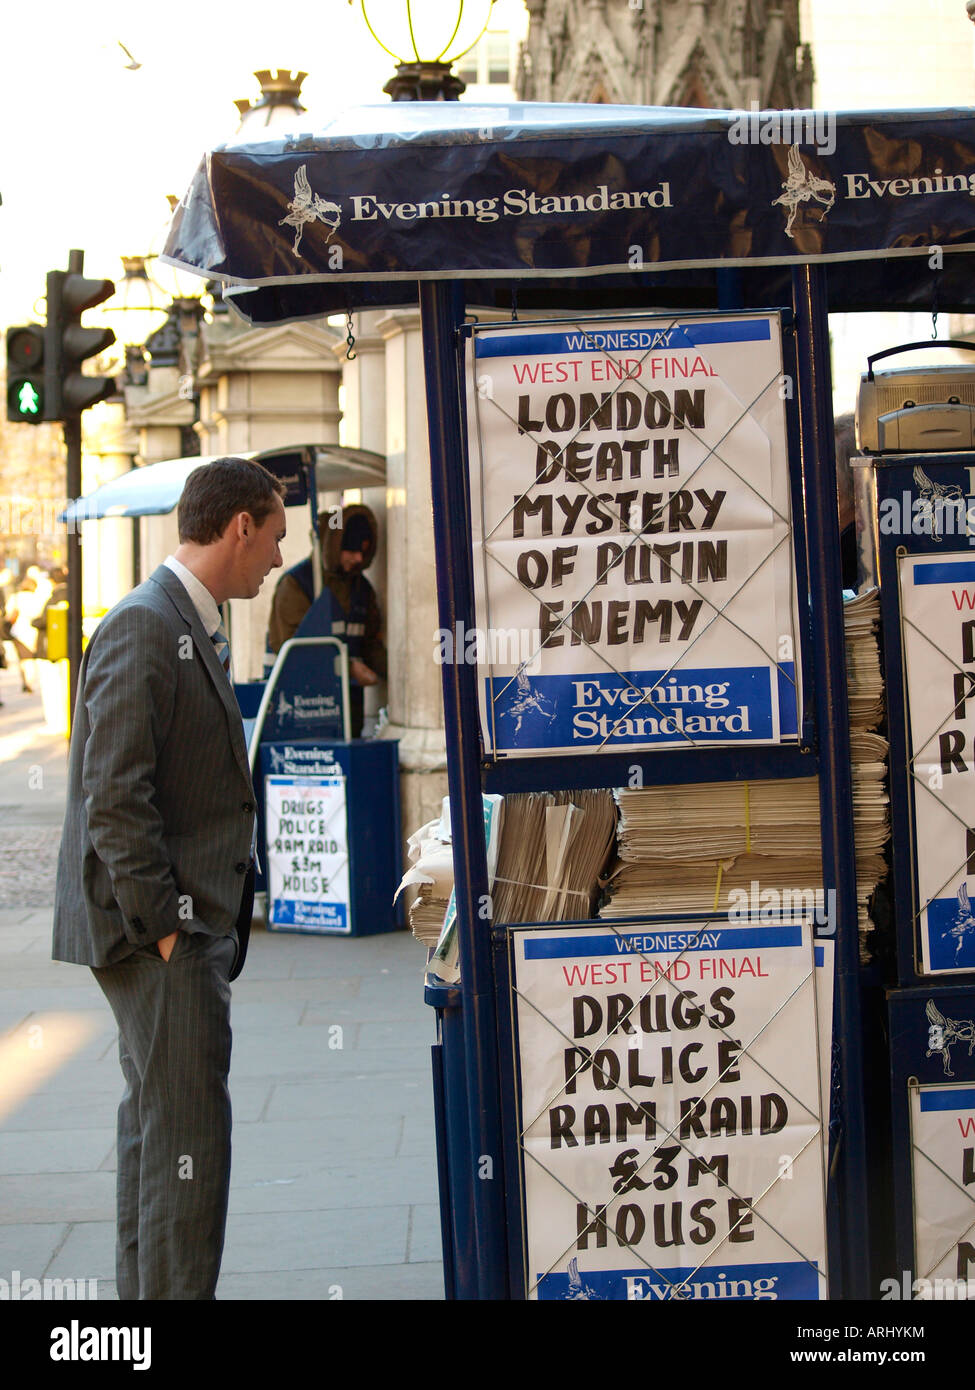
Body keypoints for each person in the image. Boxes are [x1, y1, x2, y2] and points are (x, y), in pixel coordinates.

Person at [53, 456, 287, 1300]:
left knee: (158, 1140)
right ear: (238, 527)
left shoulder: (181, 620)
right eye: (273, 538)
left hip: (173, 930)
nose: (276, 558)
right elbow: (113, 792)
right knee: (189, 1151)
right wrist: (163, 926)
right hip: (161, 936)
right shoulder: (146, 624)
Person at [266, 503, 386, 737]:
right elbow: (295, 649)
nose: (358, 558)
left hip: (349, 716)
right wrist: (349, 668)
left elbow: (371, 644)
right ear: (335, 546)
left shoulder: (363, 590)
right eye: (351, 550)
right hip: (300, 709)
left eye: (364, 551)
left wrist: (396, 670)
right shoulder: (297, 585)